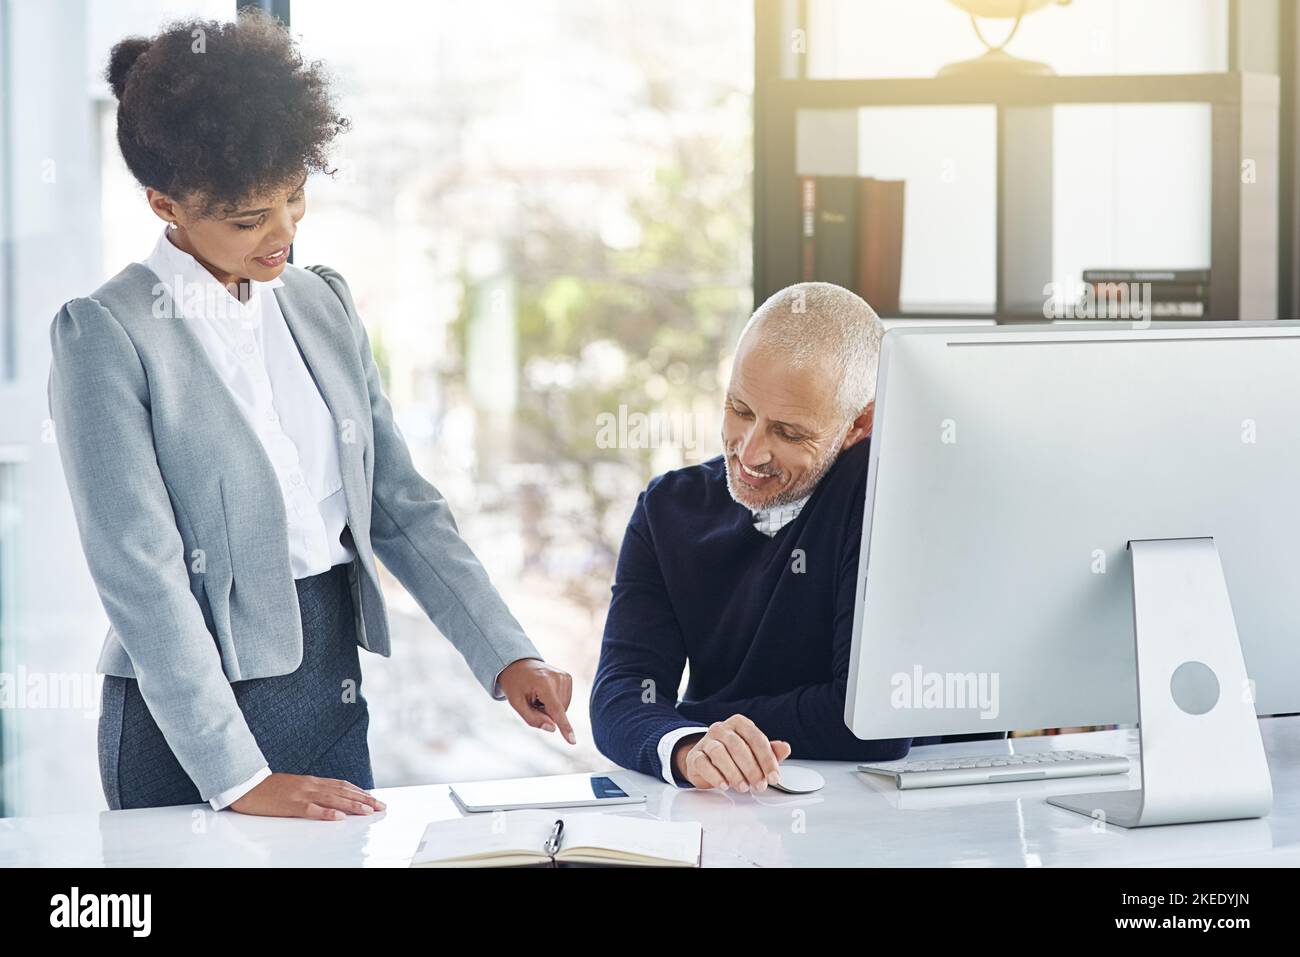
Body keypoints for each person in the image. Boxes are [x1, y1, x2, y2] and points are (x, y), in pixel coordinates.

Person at [48, 9, 574, 820]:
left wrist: (507, 652)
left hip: (329, 691)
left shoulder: (321, 303)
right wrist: (238, 776)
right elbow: (141, 575)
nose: (283, 233)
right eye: (248, 218)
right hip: (188, 724)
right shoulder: (107, 334)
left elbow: (400, 503)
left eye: (294, 198)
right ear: (166, 205)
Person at [590, 282, 995, 791]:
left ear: (859, 425)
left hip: (903, 816)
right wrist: (689, 746)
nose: (750, 451)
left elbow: (869, 724)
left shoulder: (884, 490)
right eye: (739, 409)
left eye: (788, 432)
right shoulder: (668, 508)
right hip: (741, 814)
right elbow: (620, 698)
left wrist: (692, 719)